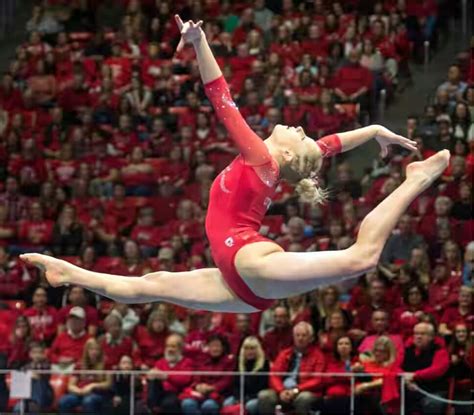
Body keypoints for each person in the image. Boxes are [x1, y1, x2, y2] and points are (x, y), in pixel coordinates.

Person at [20, 16, 450, 314]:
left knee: (362, 258)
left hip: (248, 262)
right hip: (239, 279)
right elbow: (329, 145)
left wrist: (199, 42)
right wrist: (374, 128)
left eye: (299, 134)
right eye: (302, 134)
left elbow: (220, 96)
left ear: (284, 152)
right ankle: (69, 272)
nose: (298, 128)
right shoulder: (274, 162)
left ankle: (415, 179)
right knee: (147, 286)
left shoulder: (263, 157)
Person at [258, 322, 325, 415]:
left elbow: (318, 380)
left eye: (304, 335)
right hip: (283, 390)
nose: (300, 338)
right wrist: (281, 390)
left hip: (305, 391)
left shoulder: (318, 355)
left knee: (304, 399)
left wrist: (296, 389)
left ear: (310, 338)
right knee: (264, 395)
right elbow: (274, 375)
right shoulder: (285, 353)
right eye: (297, 335)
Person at [58, 338, 112, 413]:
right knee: (64, 401)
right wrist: (79, 391)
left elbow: (108, 384)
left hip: (98, 394)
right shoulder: (79, 364)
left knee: (88, 401)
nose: (94, 352)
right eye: (91, 349)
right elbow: (71, 385)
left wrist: (92, 385)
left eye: (97, 349)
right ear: (87, 351)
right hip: (80, 393)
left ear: (100, 351)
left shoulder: (106, 364)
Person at [222, 336, 269, 415]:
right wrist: (238, 398)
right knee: (227, 403)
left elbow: (263, 386)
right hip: (241, 396)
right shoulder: (239, 363)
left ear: (258, 350)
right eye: (246, 348)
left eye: (252, 348)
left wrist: (245, 399)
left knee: (250, 406)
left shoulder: (264, 364)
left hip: (255, 397)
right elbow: (236, 384)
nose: (249, 351)